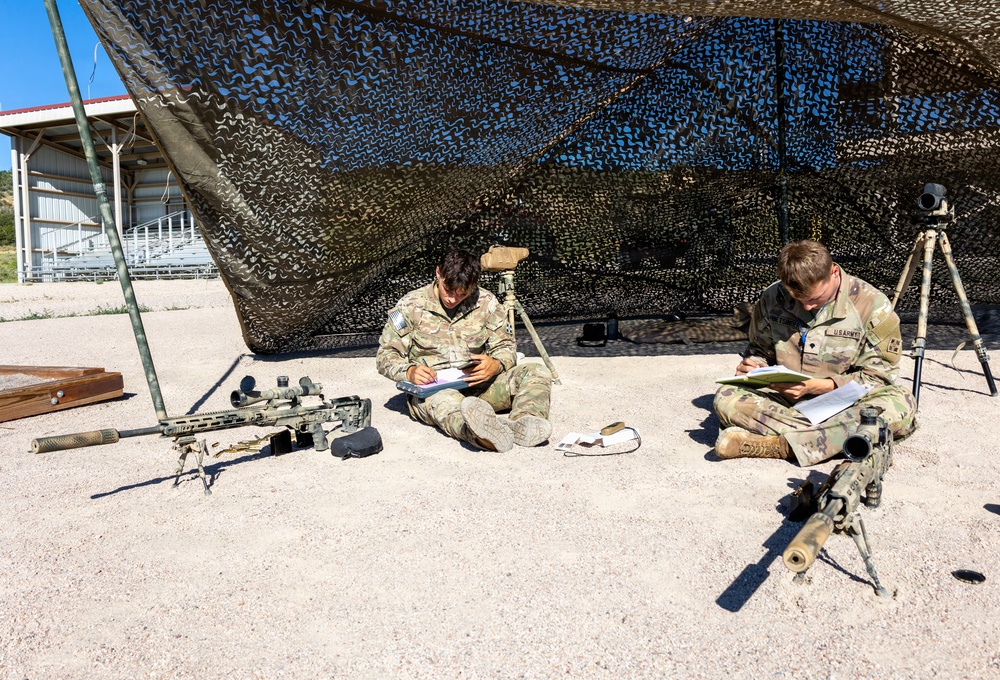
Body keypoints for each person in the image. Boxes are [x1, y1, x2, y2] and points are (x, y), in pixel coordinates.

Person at [713, 239, 917, 465]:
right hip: (787, 402)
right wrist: (754, 365)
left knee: (900, 402)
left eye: (815, 299)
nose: (807, 307)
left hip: (844, 403)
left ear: (834, 272)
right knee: (727, 397)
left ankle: (780, 446)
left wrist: (817, 386)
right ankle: (835, 439)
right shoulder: (772, 297)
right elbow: (760, 349)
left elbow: (878, 377)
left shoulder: (872, 305)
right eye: (798, 299)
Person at [376, 249, 553, 452]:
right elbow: (385, 356)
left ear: (474, 284)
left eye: (462, 293)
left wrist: (496, 364)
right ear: (438, 274)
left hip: (480, 385)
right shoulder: (410, 305)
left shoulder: (487, 302)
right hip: (435, 390)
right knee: (447, 404)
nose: (453, 299)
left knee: (535, 371)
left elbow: (505, 346)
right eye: (448, 290)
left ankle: (524, 422)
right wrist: (409, 372)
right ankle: (480, 434)